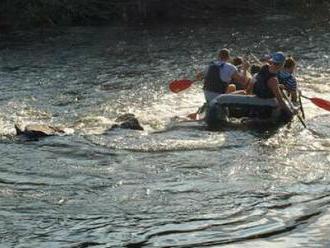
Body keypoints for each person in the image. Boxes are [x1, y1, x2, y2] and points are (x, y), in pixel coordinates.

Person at [252, 51, 295, 118]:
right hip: (266, 103)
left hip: (257, 95)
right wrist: (291, 113)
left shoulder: (264, 67)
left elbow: (262, 82)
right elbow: (280, 100)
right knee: (286, 113)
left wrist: (278, 86)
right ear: (282, 64)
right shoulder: (273, 80)